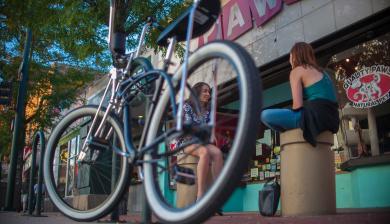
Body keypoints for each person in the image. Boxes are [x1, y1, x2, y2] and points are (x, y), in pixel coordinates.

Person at [261, 42, 339, 146]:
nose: (289, 60)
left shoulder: (297, 71)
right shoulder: (323, 72)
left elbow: (297, 106)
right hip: (332, 119)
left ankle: (288, 134)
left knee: (264, 115)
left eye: (290, 56)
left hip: (314, 117)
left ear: (294, 57)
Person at [176, 82, 224, 200]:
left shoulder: (207, 111)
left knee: (217, 153)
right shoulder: (187, 106)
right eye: (205, 91)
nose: (208, 94)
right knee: (204, 152)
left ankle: (216, 192)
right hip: (186, 142)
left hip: (201, 141)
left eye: (209, 91)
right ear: (196, 93)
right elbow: (188, 128)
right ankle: (200, 194)